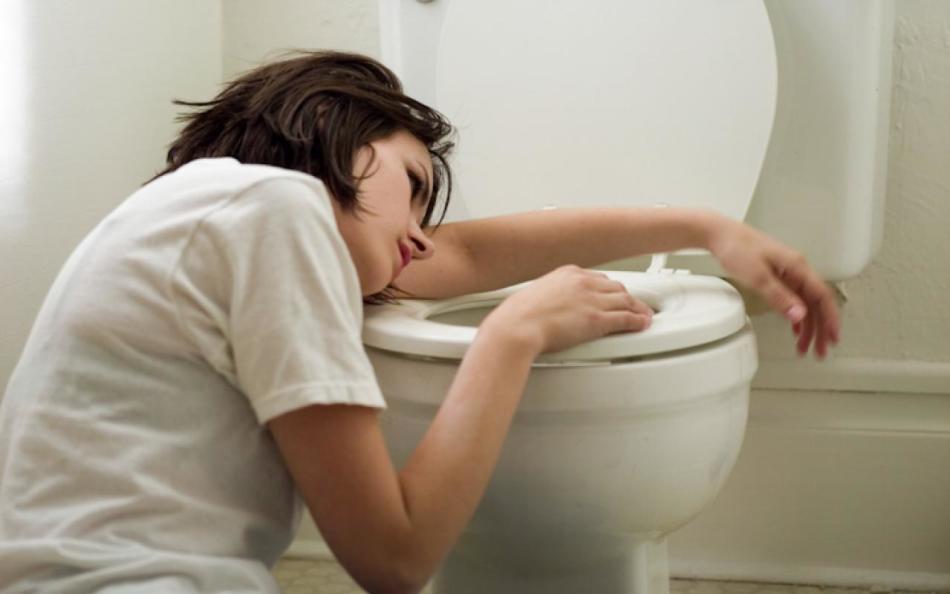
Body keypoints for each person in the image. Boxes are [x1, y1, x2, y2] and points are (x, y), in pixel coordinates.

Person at [0, 51, 839, 594]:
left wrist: (704, 227)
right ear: (330, 129)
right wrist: (513, 335)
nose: (420, 236)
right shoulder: (275, 210)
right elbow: (394, 559)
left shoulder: (214, 211)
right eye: (411, 185)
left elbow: (463, 255)